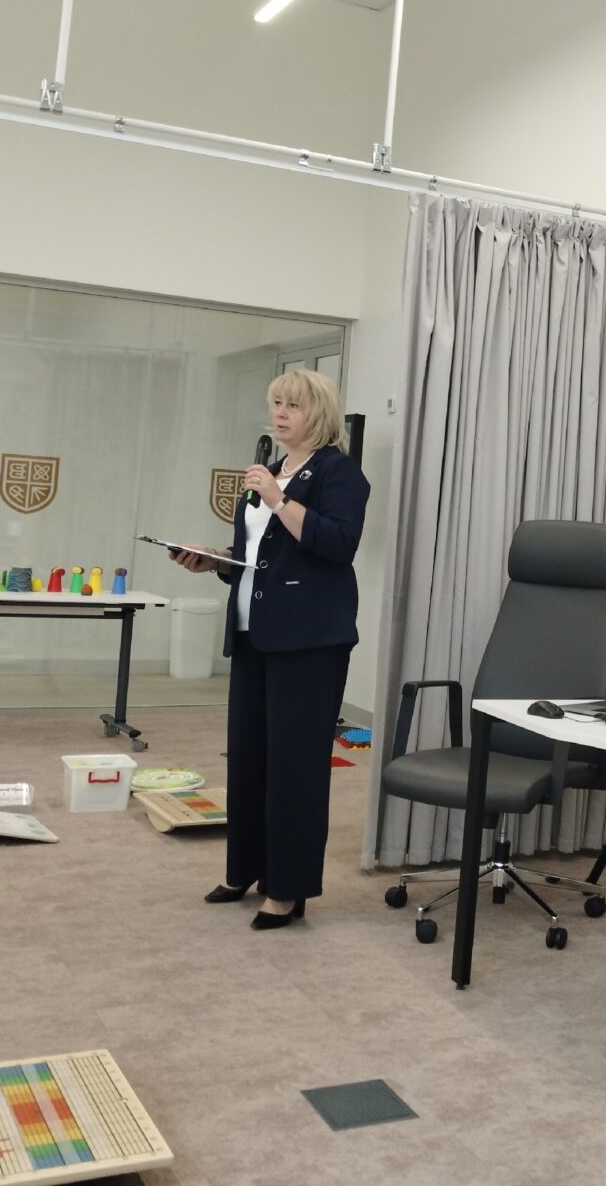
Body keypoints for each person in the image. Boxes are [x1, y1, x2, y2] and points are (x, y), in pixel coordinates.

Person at [170, 370, 370, 930]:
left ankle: (287, 889)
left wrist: (279, 498)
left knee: (295, 768)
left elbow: (338, 544)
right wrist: (215, 560)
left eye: (293, 406)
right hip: (254, 633)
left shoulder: (338, 472)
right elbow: (262, 554)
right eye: (276, 403)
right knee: (249, 758)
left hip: (309, 640)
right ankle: (245, 870)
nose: (280, 414)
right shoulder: (272, 470)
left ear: (319, 413)